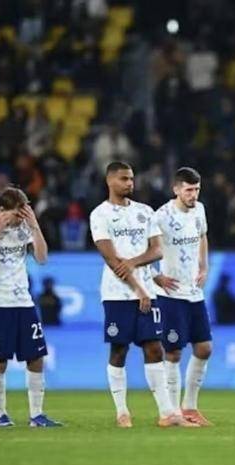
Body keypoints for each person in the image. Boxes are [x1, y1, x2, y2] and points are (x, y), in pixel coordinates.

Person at [89, 161, 196, 428]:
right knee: (119, 350)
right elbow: (112, 259)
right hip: (117, 294)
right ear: (110, 181)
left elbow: (157, 250)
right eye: (124, 179)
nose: (130, 183)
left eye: (131, 178)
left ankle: (167, 413)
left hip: (148, 293)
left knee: (154, 348)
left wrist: (136, 266)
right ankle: (122, 412)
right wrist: (138, 289)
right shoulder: (100, 215)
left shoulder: (145, 212)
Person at [0, 187, 62, 427]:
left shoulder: (24, 227)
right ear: (2, 211)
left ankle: (37, 415)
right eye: (16, 214)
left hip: (23, 302)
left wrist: (34, 226)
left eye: (24, 214)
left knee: (36, 357)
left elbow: (42, 258)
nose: (19, 219)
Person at [152, 167, 212, 426]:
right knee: (174, 352)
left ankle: (190, 407)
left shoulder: (199, 210)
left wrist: (204, 266)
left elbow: (202, 236)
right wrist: (156, 276)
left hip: (194, 292)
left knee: (204, 348)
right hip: (170, 295)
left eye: (196, 189)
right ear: (176, 189)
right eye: (188, 190)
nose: (193, 195)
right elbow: (143, 249)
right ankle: (173, 411)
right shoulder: (161, 216)